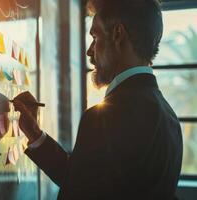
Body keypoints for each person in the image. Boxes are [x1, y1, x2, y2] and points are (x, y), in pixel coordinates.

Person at [12, 0, 183, 199]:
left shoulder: (104, 117)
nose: (89, 51)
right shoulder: (169, 117)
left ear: (118, 34)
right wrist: (34, 133)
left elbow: (77, 193)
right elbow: (85, 181)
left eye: (95, 36)